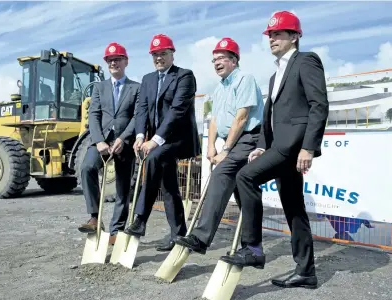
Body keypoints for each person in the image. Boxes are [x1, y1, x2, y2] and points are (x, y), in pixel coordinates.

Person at [220, 11, 329, 289]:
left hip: (292, 147)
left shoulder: (306, 61)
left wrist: (308, 147)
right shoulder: (273, 76)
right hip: (278, 145)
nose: (272, 39)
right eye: (270, 35)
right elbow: (271, 116)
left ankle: (253, 248)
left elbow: (319, 105)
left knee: (245, 177)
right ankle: (307, 272)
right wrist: (261, 146)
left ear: (294, 36)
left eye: (278, 34)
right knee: (294, 208)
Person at [174, 38, 264, 254]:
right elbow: (214, 120)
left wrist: (225, 151)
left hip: (248, 138)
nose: (216, 63)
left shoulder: (245, 79)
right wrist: (211, 146)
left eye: (221, 58)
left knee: (221, 174)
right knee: (244, 190)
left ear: (234, 60)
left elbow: (241, 118)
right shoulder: (219, 88)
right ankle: (252, 244)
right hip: (230, 141)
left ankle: (201, 238)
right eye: (214, 59)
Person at [124, 34, 201, 251]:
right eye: (155, 54)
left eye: (163, 53)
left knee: (155, 158)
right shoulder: (148, 79)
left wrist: (155, 141)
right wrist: (140, 137)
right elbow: (141, 110)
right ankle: (178, 233)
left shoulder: (184, 76)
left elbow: (177, 112)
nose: (159, 58)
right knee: (168, 185)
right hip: (156, 142)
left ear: (172, 54)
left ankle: (140, 219)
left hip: (178, 139)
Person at [78, 42, 141, 246]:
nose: (114, 63)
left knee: (122, 188)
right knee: (87, 167)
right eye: (110, 60)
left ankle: (117, 231)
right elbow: (93, 115)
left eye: (117, 59)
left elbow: (138, 116)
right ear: (107, 63)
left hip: (125, 142)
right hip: (101, 141)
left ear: (126, 61)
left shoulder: (136, 88)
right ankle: (95, 217)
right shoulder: (99, 88)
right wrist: (98, 141)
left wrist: (124, 138)